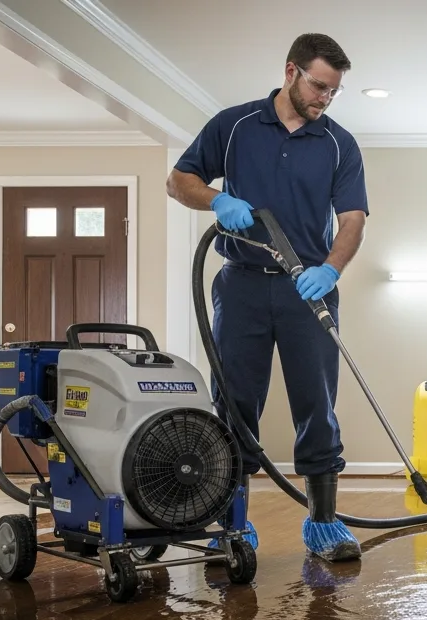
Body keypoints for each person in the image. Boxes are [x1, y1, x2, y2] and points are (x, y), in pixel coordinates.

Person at [166, 33, 368, 562]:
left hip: (308, 288)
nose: (325, 97)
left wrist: (330, 269)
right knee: (233, 403)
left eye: (334, 91)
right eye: (319, 85)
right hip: (243, 285)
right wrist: (217, 198)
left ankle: (323, 524)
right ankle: (232, 523)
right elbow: (178, 180)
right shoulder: (233, 126)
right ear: (291, 71)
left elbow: (352, 220)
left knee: (317, 404)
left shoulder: (339, 143)